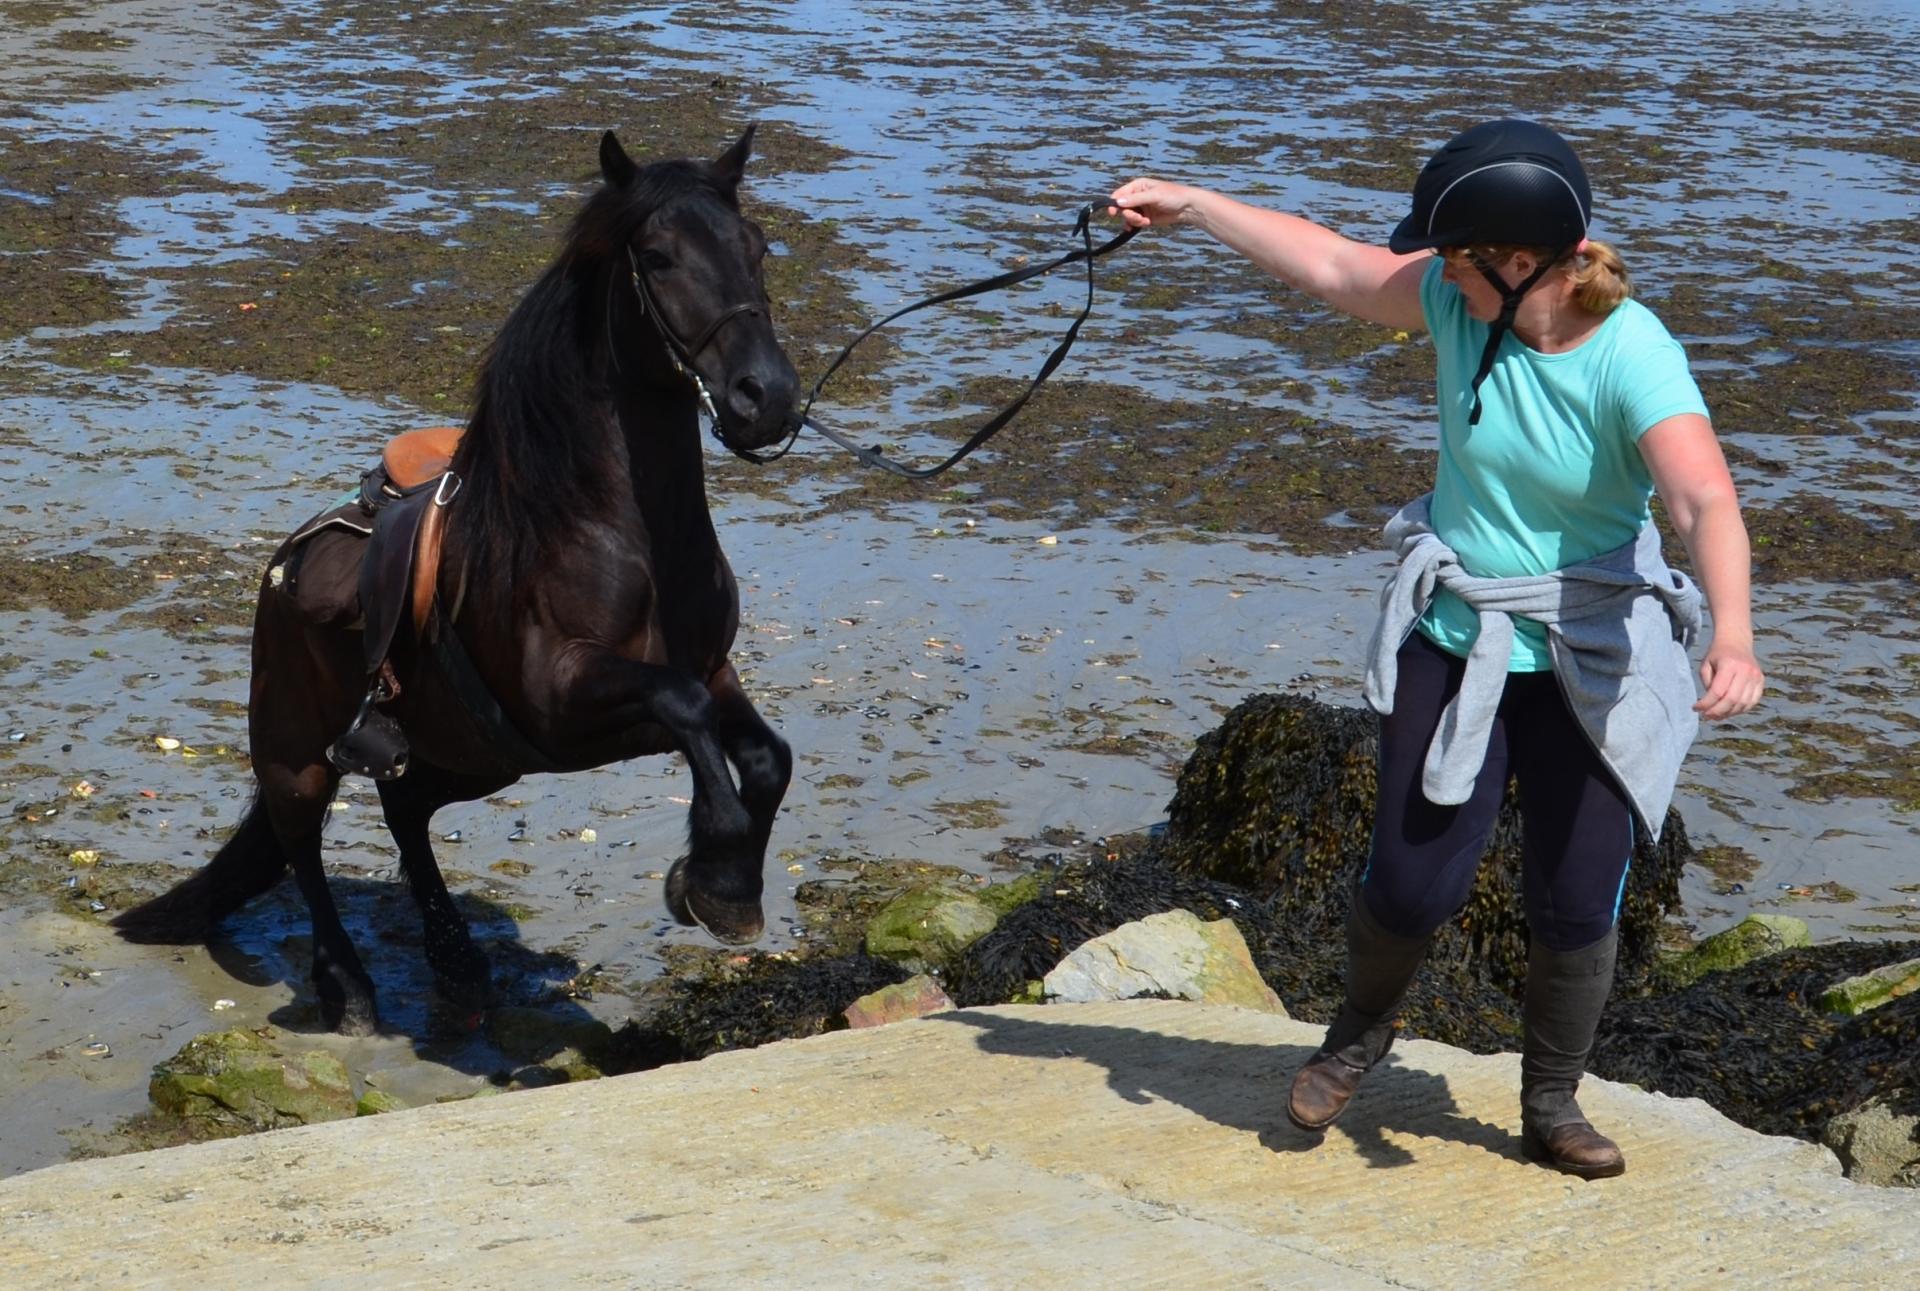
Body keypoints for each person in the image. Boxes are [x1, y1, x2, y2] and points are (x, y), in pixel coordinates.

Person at [1107, 119, 1764, 1180]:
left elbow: (1703, 495)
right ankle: (1359, 1033)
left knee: (1575, 896)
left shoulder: (1631, 352)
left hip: (1593, 651)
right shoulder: (1461, 306)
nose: (1434, 272)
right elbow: (1332, 263)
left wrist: (1731, 633)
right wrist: (1193, 206)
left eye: (1453, 255)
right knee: (1410, 886)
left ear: (1519, 260)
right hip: (1460, 636)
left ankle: (1551, 1100)